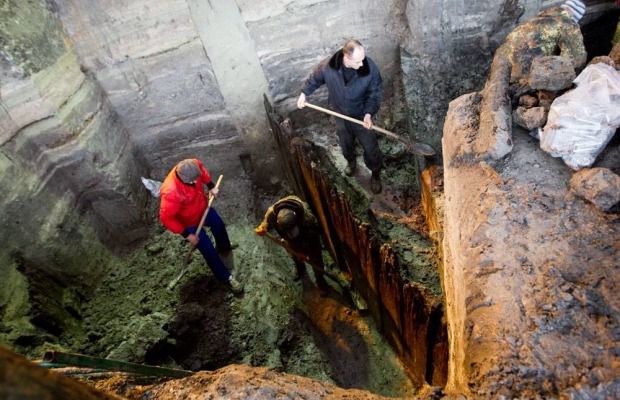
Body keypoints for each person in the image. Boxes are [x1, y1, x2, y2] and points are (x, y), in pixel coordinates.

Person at [297, 39, 384, 194]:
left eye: (363, 59)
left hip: (361, 115)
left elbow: (375, 92)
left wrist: (369, 113)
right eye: (358, 61)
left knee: (371, 147)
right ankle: (351, 162)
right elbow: (315, 79)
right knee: (345, 143)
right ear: (346, 58)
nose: (362, 64)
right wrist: (304, 94)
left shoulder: (369, 68)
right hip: (339, 114)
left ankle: (375, 173)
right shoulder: (328, 67)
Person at [159, 159, 242, 294]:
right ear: (183, 179)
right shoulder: (170, 192)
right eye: (193, 182)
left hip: (202, 208)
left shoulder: (192, 164)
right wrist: (186, 234)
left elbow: (202, 172)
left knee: (218, 224)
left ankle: (224, 247)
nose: (196, 182)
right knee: (208, 250)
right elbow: (166, 218)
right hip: (188, 222)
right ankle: (226, 277)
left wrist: (210, 186)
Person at [494, 0, 587, 88]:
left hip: (501, 67)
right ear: (576, 16)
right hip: (525, 74)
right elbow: (576, 59)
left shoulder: (540, 16)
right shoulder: (569, 26)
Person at [254, 195, 330, 293]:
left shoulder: (308, 219)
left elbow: (314, 244)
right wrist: (263, 226)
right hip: (288, 240)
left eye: (293, 231)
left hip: (308, 237)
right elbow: (267, 217)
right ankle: (300, 268)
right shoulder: (273, 214)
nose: (292, 234)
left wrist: (305, 254)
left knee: (316, 258)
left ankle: (320, 279)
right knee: (294, 252)